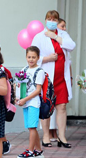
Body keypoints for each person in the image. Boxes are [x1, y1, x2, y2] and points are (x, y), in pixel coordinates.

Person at [31, 10, 75, 148]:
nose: (51, 21)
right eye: (49, 19)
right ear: (45, 20)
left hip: (62, 77)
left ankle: (62, 136)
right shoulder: (39, 37)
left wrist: (55, 37)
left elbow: (71, 46)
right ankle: (46, 136)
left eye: (54, 19)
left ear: (57, 21)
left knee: (62, 106)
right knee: (46, 106)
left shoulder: (63, 34)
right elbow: (32, 57)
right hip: (47, 78)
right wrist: (47, 58)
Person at [16, 46, 44, 158]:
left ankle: (30, 151)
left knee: (32, 127)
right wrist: (18, 97)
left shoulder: (40, 71)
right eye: (29, 57)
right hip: (25, 102)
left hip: (33, 102)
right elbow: (19, 85)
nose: (31, 59)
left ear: (38, 58)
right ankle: (39, 150)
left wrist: (25, 99)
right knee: (30, 127)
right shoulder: (24, 69)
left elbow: (38, 90)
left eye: (33, 57)